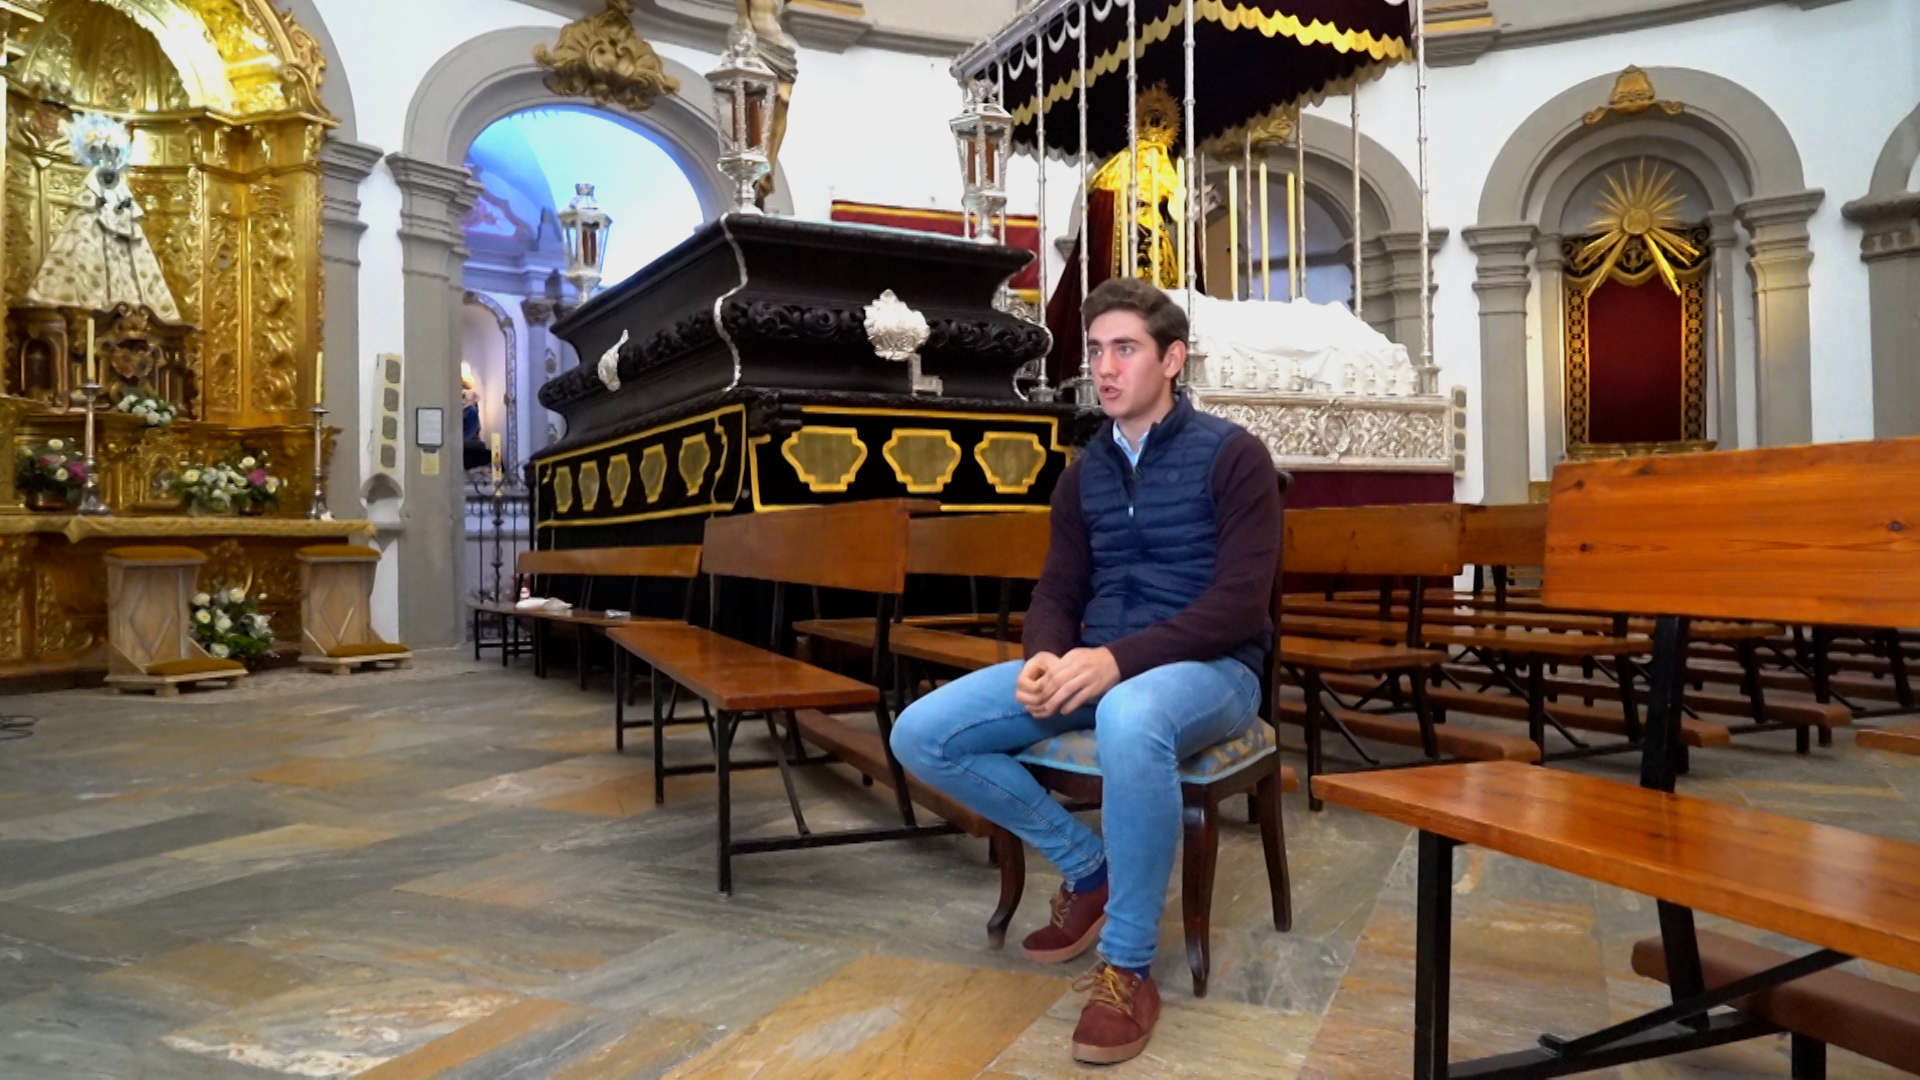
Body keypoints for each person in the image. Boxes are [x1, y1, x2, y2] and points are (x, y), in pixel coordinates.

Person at [891, 277, 1282, 1065]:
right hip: (1097, 664)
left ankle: (1129, 966)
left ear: (1172, 359)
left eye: (1125, 349)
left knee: (1130, 716)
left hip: (1212, 672)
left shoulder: (1234, 457)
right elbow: (1060, 587)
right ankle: (1087, 866)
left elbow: (1241, 605)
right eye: (1095, 350)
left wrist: (1114, 662)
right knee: (922, 731)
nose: (1104, 367)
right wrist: (1043, 656)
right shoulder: (1084, 472)